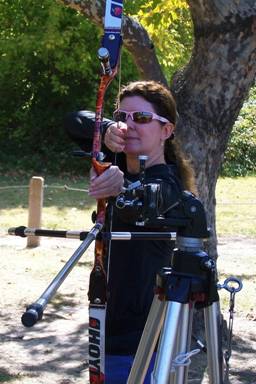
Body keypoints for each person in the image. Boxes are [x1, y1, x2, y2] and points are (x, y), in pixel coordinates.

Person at [64, 80, 197, 383]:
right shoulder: (118, 158)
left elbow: (146, 202)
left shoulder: (170, 183)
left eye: (142, 118)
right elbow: (73, 121)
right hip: (107, 325)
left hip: (144, 337)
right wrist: (109, 128)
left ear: (167, 130)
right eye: (123, 116)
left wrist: (120, 186)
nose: (129, 125)